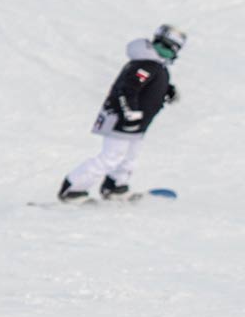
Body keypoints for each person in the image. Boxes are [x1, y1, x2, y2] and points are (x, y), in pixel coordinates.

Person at [58, 25, 187, 202]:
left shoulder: (154, 65)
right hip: (121, 121)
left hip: (137, 123)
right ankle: (72, 189)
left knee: (129, 157)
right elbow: (127, 90)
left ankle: (115, 187)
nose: (167, 52)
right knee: (111, 157)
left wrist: (167, 90)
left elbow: (146, 86)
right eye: (166, 47)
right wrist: (129, 112)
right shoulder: (146, 64)